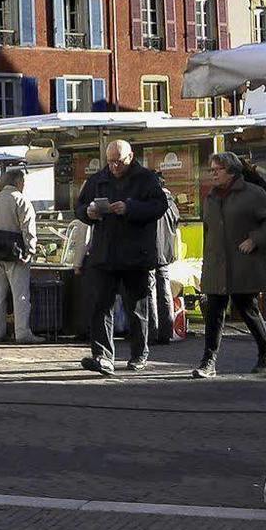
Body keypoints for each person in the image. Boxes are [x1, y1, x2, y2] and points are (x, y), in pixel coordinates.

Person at [75, 139, 169, 375]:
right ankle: (103, 356)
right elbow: (79, 206)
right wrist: (88, 212)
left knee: (136, 308)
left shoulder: (146, 178)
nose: (114, 166)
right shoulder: (98, 179)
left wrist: (130, 208)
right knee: (100, 306)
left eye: (119, 161)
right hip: (104, 253)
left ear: (130, 157)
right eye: (110, 161)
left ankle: (139, 354)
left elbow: (160, 206)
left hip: (135, 254)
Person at [196, 151, 266, 378]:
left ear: (232, 172)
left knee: (247, 309)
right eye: (211, 170)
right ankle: (208, 361)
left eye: (218, 170)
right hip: (217, 265)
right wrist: (206, 263)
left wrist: (255, 239)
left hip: (243, 263)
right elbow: (209, 232)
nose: (213, 174)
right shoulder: (210, 198)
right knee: (214, 310)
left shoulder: (253, 194)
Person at [0, 169, 38, 343]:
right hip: (17, 254)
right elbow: (28, 229)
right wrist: (30, 250)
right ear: (19, 182)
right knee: (20, 294)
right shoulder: (22, 200)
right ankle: (22, 333)